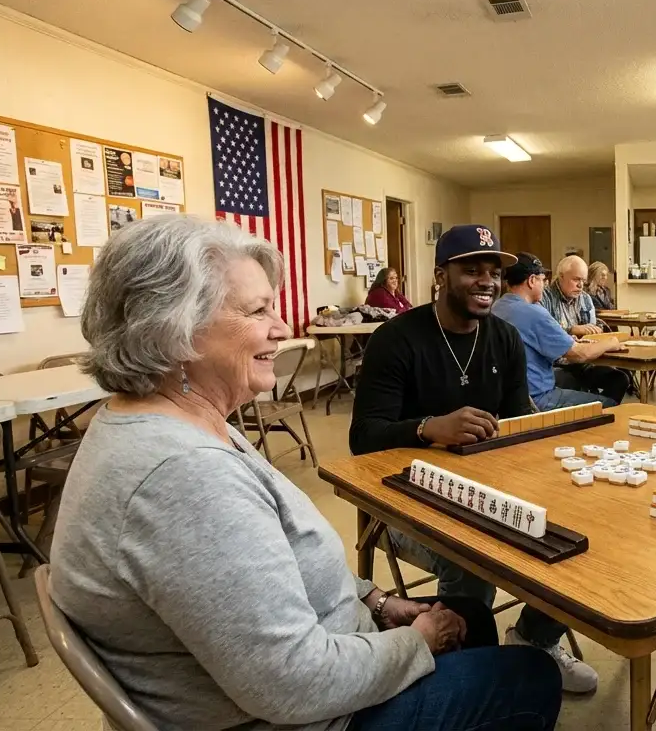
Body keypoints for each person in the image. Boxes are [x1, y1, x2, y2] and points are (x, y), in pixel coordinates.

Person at [51, 216, 562, 731]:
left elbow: (278, 566)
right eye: (258, 311)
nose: (281, 328)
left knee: (472, 617)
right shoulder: (182, 478)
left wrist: (376, 601)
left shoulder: (175, 424)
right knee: (532, 675)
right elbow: (293, 684)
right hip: (318, 715)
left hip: (327, 650)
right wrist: (419, 641)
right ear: (177, 329)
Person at [349, 226, 599, 694]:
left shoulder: (504, 338)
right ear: (441, 275)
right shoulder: (396, 339)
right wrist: (428, 428)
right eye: (471, 270)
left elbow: (519, 424)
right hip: (406, 503)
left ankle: (534, 638)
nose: (486, 281)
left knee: (585, 526)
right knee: (472, 556)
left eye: (493, 272)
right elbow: (362, 439)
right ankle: (467, 678)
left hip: (491, 488)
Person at [493, 253, 623, 413]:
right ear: (532, 280)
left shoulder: (497, 307)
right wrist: (611, 342)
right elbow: (579, 354)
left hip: (508, 399)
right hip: (538, 398)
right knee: (610, 405)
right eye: (542, 280)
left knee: (574, 381)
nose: (545, 284)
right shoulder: (534, 312)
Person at [543, 255, 630, 402]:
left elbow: (592, 337)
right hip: (555, 364)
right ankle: (594, 407)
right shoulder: (545, 298)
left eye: (583, 281)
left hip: (584, 361)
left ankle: (600, 409)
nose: (580, 286)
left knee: (620, 379)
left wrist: (596, 333)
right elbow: (546, 336)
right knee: (569, 381)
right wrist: (571, 330)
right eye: (576, 279)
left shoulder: (585, 299)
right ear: (561, 276)